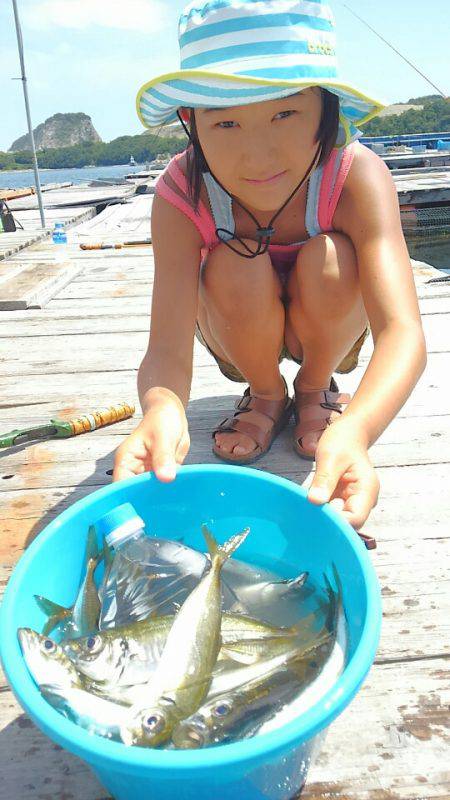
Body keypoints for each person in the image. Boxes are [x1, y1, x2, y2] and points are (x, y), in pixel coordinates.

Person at [112, 0, 426, 530]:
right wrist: (162, 408)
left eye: (285, 112)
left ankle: (315, 388)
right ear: (191, 121)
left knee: (330, 257)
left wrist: (358, 431)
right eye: (227, 122)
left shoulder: (355, 175)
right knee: (236, 260)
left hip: (330, 322)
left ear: (327, 109)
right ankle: (265, 392)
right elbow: (166, 346)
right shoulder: (181, 192)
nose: (257, 156)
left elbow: (402, 332)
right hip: (236, 325)